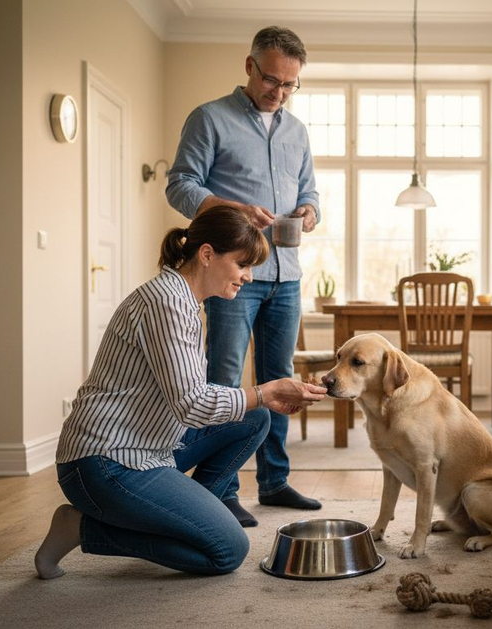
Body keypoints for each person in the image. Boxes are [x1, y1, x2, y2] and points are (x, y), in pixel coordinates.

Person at [34, 207, 327, 579]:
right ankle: (79, 528)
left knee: (255, 417)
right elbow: (192, 404)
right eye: (242, 264)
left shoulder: (185, 300)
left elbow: (193, 396)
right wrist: (266, 390)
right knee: (228, 550)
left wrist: (261, 400)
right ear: (207, 255)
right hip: (104, 462)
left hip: (149, 445)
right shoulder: (167, 302)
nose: (249, 277)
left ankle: (186, 517)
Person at [165, 25, 323, 513]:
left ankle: (275, 483)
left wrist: (311, 213)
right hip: (234, 275)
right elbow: (179, 186)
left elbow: (310, 193)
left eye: (290, 84)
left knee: (283, 381)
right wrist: (232, 207)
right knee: (226, 379)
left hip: (287, 276)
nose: (280, 92)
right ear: (250, 66)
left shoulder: (297, 131)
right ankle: (222, 491)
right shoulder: (210, 118)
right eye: (272, 80)